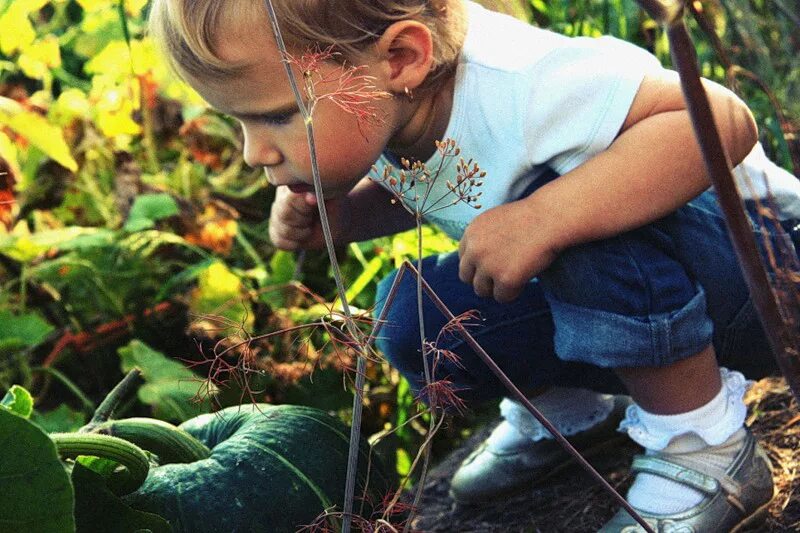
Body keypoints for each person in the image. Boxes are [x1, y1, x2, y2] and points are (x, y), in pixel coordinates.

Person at [149, 1, 800, 530]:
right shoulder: (391, 93)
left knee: (570, 208)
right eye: (238, 123)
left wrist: (548, 216)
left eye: (276, 117)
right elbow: (457, 180)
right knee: (413, 318)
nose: (255, 151)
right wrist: (346, 218)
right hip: (662, 296)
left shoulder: (523, 86)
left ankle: (705, 446)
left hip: (763, 281)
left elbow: (721, 117)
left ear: (402, 55)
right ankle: (571, 412)